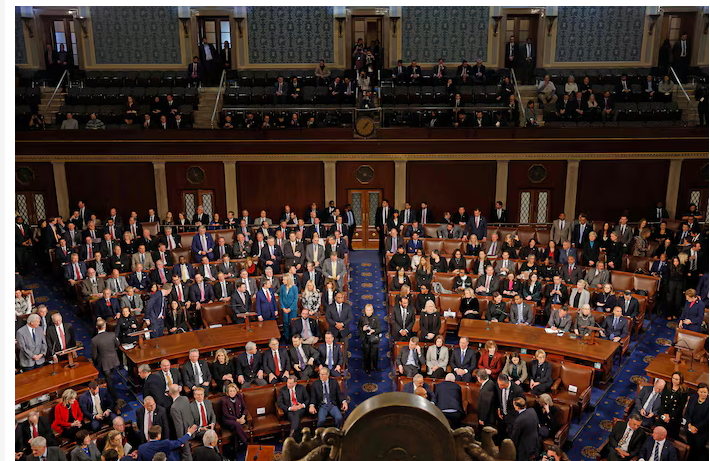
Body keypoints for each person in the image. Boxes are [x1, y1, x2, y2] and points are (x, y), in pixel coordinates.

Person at [658, 372, 688, 439]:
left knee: (670, 436)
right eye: (673, 378)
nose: (674, 380)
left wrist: (669, 416)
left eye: (676, 379)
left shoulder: (684, 391)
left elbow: (680, 407)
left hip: (674, 417)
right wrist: (664, 414)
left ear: (681, 380)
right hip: (663, 414)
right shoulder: (667, 386)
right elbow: (662, 401)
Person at [683, 382, 708, 459]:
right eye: (701, 392)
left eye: (705, 392)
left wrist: (696, 427)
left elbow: (707, 419)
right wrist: (689, 424)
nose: (703, 394)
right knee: (689, 447)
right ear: (697, 392)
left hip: (701, 431)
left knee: (697, 451)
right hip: (690, 428)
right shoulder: (693, 398)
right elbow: (687, 412)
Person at [358, 303, 381, 373]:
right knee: (366, 354)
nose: (368, 312)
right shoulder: (362, 318)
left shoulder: (376, 318)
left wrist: (373, 331)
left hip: (374, 339)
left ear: (372, 311)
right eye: (367, 310)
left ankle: (375, 367)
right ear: (365, 311)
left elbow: (379, 329)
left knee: (374, 354)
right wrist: (363, 329)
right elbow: (359, 328)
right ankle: (367, 367)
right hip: (365, 339)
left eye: (370, 310)